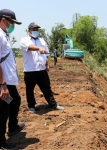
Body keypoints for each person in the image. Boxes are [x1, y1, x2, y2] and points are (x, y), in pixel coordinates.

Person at [20, 22, 64, 113]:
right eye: (33, 29)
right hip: (30, 70)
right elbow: (30, 47)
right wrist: (39, 48)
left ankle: (53, 104)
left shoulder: (42, 41)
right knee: (30, 89)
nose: (36, 31)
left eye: (37, 29)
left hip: (42, 69)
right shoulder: (24, 40)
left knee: (47, 87)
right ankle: (31, 106)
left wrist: (47, 64)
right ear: (29, 31)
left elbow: (46, 54)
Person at [0, 9, 25, 149]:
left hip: (7, 81)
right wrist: (2, 84)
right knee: (3, 110)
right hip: (3, 82)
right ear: (3, 20)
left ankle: (13, 127)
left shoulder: (4, 34)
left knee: (14, 100)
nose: (12, 25)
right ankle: (1, 142)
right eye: (11, 22)